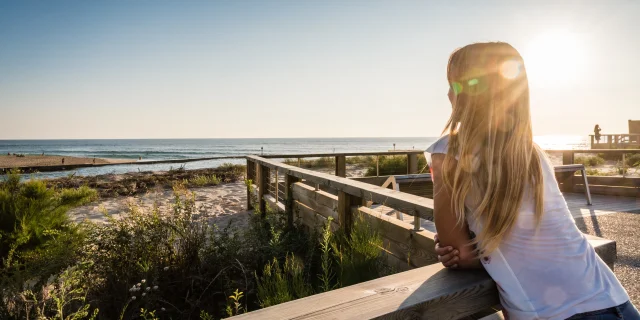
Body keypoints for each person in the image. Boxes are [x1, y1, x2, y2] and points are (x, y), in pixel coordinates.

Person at [426, 42, 636, 320]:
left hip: (551, 313)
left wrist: (470, 252)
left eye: (453, 85)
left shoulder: (448, 151)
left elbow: (460, 254)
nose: (449, 93)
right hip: (614, 301)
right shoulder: (531, 152)